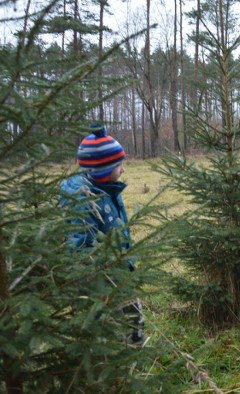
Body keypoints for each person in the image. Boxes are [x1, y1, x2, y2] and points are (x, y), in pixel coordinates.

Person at [60, 124, 145, 345]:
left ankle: (137, 350)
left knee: (134, 312)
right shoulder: (84, 199)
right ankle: (116, 358)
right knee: (112, 323)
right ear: (103, 170)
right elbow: (80, 245)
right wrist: (96, 275)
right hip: (101, 279)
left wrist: (127, 259)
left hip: (119, 268)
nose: (123, 170)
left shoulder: (109, 189)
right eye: (119, 165)